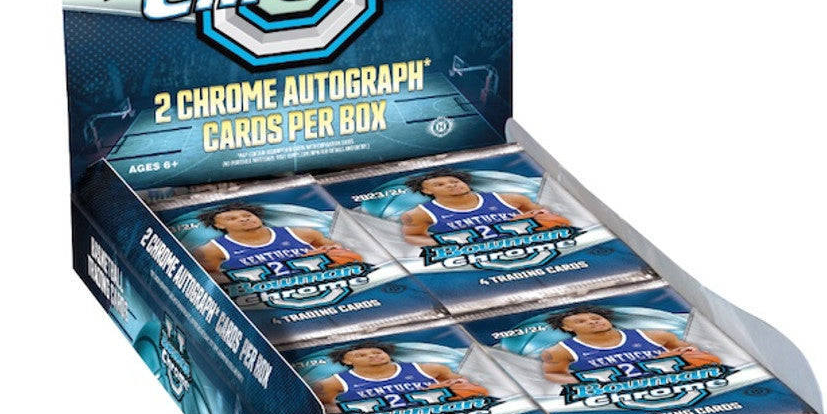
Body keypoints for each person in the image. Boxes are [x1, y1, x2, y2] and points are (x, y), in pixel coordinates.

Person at [190, 202, 362, 289]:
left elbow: (343, 253)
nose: (243, 219)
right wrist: (247, 279)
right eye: (232, 219)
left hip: (317, 283)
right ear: (219, 225)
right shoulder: (213, 248)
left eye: (247, 215)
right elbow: (208, 280)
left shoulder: (302, 233)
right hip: (265, 292)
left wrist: (329, 253)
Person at [539, 307, 720, 385]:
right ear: (567, 328)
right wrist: (588, 382)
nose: (593, 322)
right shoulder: (560, 350)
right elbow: (552, 374)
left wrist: (689, 353)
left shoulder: (655, 335)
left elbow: (692, 352)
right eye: (581, 321)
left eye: (596, 318)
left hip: (665, 383)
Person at [310, 342, 490, 414]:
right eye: (361, 355)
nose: (372, 356)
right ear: (346, 361)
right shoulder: (335, 382)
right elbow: (321, 410)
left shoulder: (429, 369)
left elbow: (468, 386)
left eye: (377, 352)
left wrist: (456, 385)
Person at [399, 169, 567, 247]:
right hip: (473, 254)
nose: (451, 185)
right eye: (440, 185)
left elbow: (543, 214)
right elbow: (412, 237)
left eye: (455, 181)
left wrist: (539, 215)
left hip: (521, 245)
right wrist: (448, 244)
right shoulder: (420, 213)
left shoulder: (510, 199)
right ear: (426, 191)